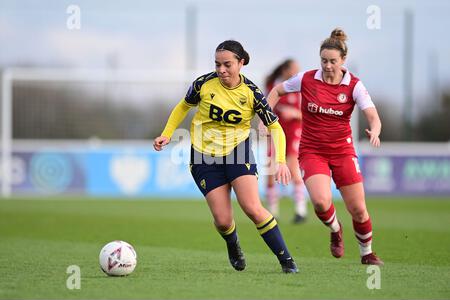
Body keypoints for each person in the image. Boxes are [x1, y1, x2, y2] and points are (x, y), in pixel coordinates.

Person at [153, 40, 298, 273]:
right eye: (217, 64)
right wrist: (167, 134)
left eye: (227, 64)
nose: (221, 70)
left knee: (252, 207)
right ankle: (233, 244)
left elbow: (275, 127)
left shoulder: (252, 93)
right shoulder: (203, 84)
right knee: (222, 220)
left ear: (241, 63)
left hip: (237, 151)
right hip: (203, 156)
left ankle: (287, 261)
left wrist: (280, 161)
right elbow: (183, 106)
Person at [267, 28, 384, 265]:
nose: (328, 66)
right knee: (321, 202)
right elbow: (276, 91)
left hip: (343, 151)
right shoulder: (307, 78)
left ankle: (367, 254)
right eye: (323, 60)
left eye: (332, 61)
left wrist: (376, 130)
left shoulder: (354, 86)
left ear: (343, 61)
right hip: (312, 151)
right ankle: (335, 228)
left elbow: (373, 115)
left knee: (359, 209)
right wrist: (266, 118)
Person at [264, 59, 308, 224]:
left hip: (294, 131)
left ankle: (300, 210)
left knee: (294, 168)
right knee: (270, 171)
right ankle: (272, 213)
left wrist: (295, 114)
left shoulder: (300, 88)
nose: (297, 72)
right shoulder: (272, 87)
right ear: (285, 70)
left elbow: (310, 114)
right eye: (295, 69)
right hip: (275, 133)